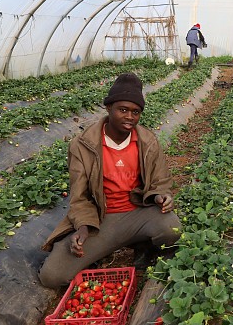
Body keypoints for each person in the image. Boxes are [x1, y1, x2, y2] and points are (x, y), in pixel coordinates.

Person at [38, 73, 181, 288]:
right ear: (109, 108)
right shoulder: (83, 145)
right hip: (101, 219)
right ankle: (99, 249)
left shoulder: (147, 141)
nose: (129, 117)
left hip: (138, 213)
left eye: (136, 112)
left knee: (172, 229)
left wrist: (161, 195)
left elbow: (161, 180)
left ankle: (143, 244)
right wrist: (84, 226)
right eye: (123, 110)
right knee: (52, 276)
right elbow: (79, 196)